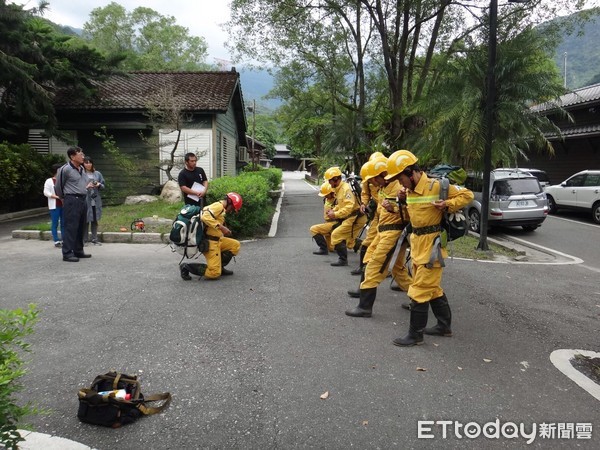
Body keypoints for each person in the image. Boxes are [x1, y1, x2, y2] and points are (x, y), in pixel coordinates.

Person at [385, 150, 474, 346]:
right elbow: (412, 216)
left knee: (419, 291)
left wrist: (448, 204)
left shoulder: (436, 186)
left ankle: (415, 335)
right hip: (417, 246)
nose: (400, 184)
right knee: (432, 289)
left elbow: (467, 195)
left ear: (410, 172)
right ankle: (444, 326)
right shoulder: (407, 192)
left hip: (432, 248)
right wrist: (399, 201)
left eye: (400, 179)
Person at [345, 156, 412, 318]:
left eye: (373, 180)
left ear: (381, 174)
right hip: (384, 231)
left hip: (393, 233)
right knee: (395, 269)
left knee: (375, 266)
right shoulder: (384, 187)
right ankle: (419, 298)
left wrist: (395, 208)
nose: (372, 184)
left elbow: (411, 211)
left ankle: (365, 307)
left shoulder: (398, 187)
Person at [180, 192, 242, 280]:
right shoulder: (219, 206)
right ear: (229, 202)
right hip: (211, 243)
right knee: (214, 273)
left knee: (235, 245)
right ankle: (187, 267)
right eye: (232, 208)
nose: (231, 211)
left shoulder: (221, 209)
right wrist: (221, 227)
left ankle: (220, 267)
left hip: (219, 240)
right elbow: (205, 216)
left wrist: (223, 229)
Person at [54, 146, 92, 262]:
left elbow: (82, 183)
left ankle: (78, 250)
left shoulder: (81, 169)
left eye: (83, 154)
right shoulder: (65, 169)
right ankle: (67, 253)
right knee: (71, 227)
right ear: (72, 156)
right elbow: (58, 186)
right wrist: (62, 198)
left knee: (81, 226)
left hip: (82, 199)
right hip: (71, 199)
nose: (83, 156)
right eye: (80, 154)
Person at [324, 166, 364, 267]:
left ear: (335, 179)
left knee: (336, 235)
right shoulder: (339, 189)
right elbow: (340, 204)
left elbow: (349, 207)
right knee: (350, 241)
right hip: (352, 218)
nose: (329, 183)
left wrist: (335, 214)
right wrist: (334, 210)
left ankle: (343, 259)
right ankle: (368, 255)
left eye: (330, 181)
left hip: (355, 218)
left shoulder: (346, 189)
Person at [310, 182, 337, 255]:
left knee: (313, 229)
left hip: (335, 223)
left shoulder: (337, 200)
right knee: (331, 248)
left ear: (332, 192)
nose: (324, 196)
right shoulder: (326, 199)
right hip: (328, 223)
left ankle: (323, 249)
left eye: (326, 194)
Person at [83, 156, 105, 245]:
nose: (88, 164)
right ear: (83, 164)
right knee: (85, 220)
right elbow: (77, 188)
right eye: (86, 162)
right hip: (85, 200)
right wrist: (86, 187)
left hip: (95, 200)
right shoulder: (81, 174)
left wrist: (99, 184)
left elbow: (103, 186)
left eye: (90, 162)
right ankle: (84, 239)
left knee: (95, 220)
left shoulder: (97, 174)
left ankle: (94, 239)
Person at [43, 163, 65, 248]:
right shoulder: (49, 181)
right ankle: (56, 240)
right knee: (55, 222)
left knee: (64, 223)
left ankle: (64, 239)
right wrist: (57, 197)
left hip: (63, 204)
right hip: (54, 205)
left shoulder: (63, 180)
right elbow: (46, 192)